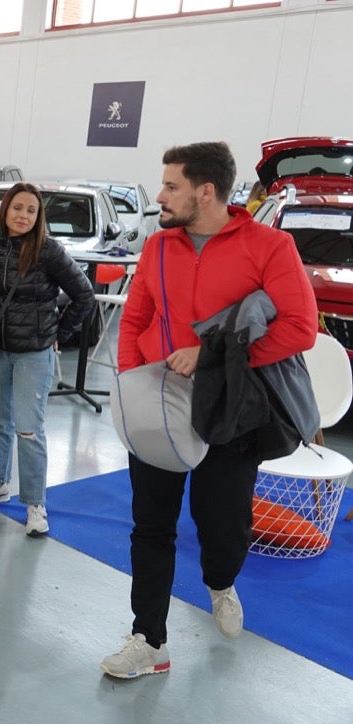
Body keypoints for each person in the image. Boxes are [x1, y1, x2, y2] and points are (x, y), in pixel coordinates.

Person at [100, 142, 317, 679]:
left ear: (207, 191)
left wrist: (215, 359)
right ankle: (148, 640)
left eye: (171, 185)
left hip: (232, 408)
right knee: (151, 525)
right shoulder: (157, 247)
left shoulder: (270, 246)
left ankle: (220, 582)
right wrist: (133, 382)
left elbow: (300, 327)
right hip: (161, 403)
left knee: (223, 527)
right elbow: (134, 320)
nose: (160, 195)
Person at [0, 182, 94, 536]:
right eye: (17, 208)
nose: (23, 216)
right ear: (5, 210)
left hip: (34, 353)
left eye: (31, 211)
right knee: (0, 422)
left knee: (29, 430)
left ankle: (36, 504)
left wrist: (56, 336)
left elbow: (84, 295)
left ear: (39, 217)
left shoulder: (48, 251)